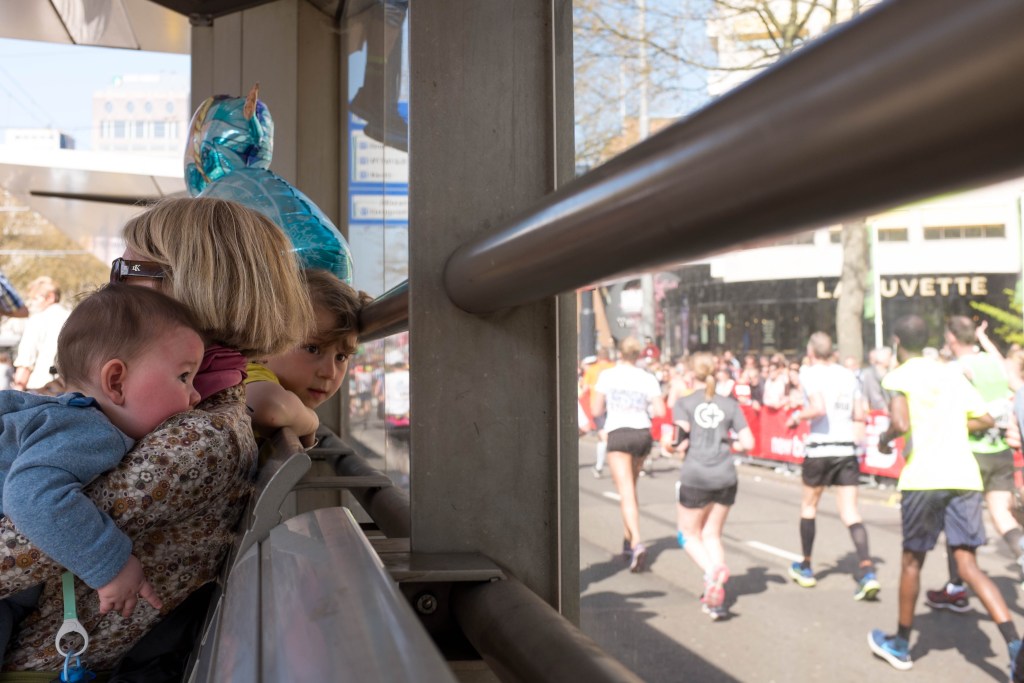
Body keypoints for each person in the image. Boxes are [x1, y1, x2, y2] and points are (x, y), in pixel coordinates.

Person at [0, 197, 314, 673]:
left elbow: (22, 542)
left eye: (129, 269)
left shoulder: (193, 440)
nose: (113, 284)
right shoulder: (196, 405)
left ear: (203, 283)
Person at [0, 285, 206, 656]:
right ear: (116, 381)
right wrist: (110, 564)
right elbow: (31, 496)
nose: (196, 397)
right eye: (184, 377)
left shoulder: (65, 417)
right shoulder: (92, 430)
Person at [868, 314, 1022, 674]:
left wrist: (885, 439)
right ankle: (1015, 644)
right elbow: (984, 418)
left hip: (924, 478)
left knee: (912, 562)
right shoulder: (951, 373)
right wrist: (950, 422)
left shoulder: (899, 375)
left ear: (896, 341)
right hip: (963, 476)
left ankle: (902, 644)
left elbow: (901, 423)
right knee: (968, 566)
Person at [925, 315, 1024, 611]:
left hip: (968, 453)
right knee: (1002, 515)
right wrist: (983, 338)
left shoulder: (955, 370)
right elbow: (1003, 366)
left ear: (952, 338)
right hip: (999, 450)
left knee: (959, 523)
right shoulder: (995, 363)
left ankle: (956, 586)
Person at [786, 331, 879, 600]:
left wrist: (795, 416)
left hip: (820, 448)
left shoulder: (809, 372)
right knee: (850, 512)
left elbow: (818, 408)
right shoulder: (848, 375)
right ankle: (867, 570)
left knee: (808, 506)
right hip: (845, 448)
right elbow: (860, 413)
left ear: (811, 351)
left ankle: (806, 566)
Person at [662, 353, 753, 621]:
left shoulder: (685, 403)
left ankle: (713, 572)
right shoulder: (730, 404)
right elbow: (748, 442)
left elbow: (677, 440)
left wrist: (669, 444)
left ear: (691, 374)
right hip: (725, 474)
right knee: (712, 535)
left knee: (687, 535)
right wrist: (727, 445)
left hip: (696, 475)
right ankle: (715, 599)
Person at [246, 269, 372, 445]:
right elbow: (269, 407)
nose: (329, 372)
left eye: (341, 357)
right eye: (312, 349)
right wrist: (311, 421)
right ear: (265, 343)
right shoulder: (248, 374)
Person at [591, 336, 666, 572]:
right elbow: (661, 409)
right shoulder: (647, 377)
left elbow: (595, 409)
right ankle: (627, 539)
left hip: (619, 433)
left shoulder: (608, 375)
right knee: (631, 490)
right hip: (642, 433)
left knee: (626, 493)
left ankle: (636, 543)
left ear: (619, 353)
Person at [11, 277, 70, 392]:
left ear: (50, 297)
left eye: (35, 299)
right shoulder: (74, 317)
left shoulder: (37, 320)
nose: (31, 304)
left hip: (40, 389)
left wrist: (17, 391)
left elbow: (25, 361)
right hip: (68, 389)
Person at [583, 348, 614, 478]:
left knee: (603, 436)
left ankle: (600, 467)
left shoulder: (592, 370)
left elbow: (585, 388)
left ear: (598, 357)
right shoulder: (614, 367)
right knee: (610, 434)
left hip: (597, 405)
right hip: (613, 405)